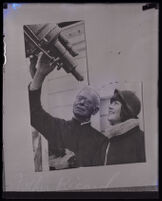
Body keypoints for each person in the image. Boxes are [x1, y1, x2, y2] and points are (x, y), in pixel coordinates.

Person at [28, 52, 109, 169]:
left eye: (87, 101)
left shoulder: (101, 141)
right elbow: (33, 112)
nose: (81, 102)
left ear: (95, 110)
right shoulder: (58, 127)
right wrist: (40, 74)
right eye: (79, 98)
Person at [102, 89, 146, 165]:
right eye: (111, 103)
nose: (110, 107)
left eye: (116, 103)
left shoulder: (142, 139)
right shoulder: (106, 141)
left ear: (127, 110)